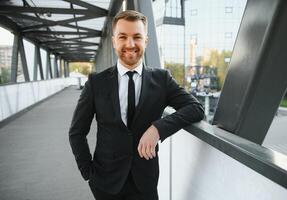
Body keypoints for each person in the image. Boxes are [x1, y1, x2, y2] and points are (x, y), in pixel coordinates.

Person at [69, 10, 204, 200]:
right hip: (105, 183)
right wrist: (88, 173)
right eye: (123, 37)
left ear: (146, 41)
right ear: (114, 41)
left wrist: (158, 129)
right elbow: (77, 131)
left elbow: (196, 108)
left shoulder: (162, 79)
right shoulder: (96, 83)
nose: (130, 44)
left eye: (137, 37)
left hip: (145, 183)